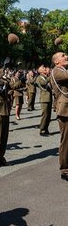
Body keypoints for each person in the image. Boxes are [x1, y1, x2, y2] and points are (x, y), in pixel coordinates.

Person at [50, 52, 68, 180]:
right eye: (63, 56)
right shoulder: (57, 71)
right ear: (56, 61)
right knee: (66, 141)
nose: (66, 56)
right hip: (65, 109)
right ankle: (65, 169)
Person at [35, 65, 53, 136]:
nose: (45, 68)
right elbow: (44, 83)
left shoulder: (45, 77)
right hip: (44, 99)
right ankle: (42, 129)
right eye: (43, 68)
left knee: (48, 115)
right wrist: (51, 76)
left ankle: (46, 128)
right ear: (40, 71)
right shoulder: (39, 78)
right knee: (45, 115)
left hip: (49, 98)